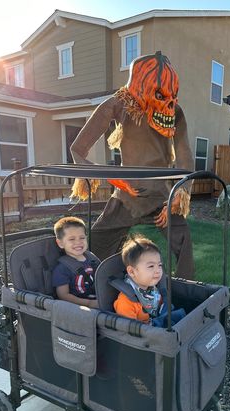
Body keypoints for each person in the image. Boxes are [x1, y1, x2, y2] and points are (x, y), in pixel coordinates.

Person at [70, 51, 195, 280]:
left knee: (184, 241)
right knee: (99, 239)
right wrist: (106, 175)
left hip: (161, 196)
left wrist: (180, 192)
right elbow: (78, 148)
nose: (169, 102)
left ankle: (186, 291)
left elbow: (185, 154)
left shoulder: (175, 112)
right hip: (127, 195)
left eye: (173, 95)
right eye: (160, 94)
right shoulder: (120, 103)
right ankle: (98, 284)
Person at [113, 234, 185, 326]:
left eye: (159, 265)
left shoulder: (152, 289)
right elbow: (130, 332)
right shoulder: (126, 302)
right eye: (151, 266)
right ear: (131, 271)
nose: (158, 270)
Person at [52, 216, 100, 308]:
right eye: (71, 239)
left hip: (100, 297)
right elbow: (63, 295)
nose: (78, 242)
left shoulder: (91, 257)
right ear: (60, 243)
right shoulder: (62, 269)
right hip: (81, 308)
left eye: (82, 238)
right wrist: (88, 303)